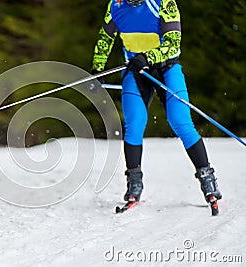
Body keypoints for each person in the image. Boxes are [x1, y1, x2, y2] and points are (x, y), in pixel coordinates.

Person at [90, 0, 222, 205]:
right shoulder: (115, 5)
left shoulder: (164, 3)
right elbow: (105, 38)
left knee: (180, 121)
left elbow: (173, 43)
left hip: (166, 68)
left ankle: (207, 179)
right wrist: (98, 68)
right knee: (134, 123)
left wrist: (147, 57)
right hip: (136, 71)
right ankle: (134, 183)